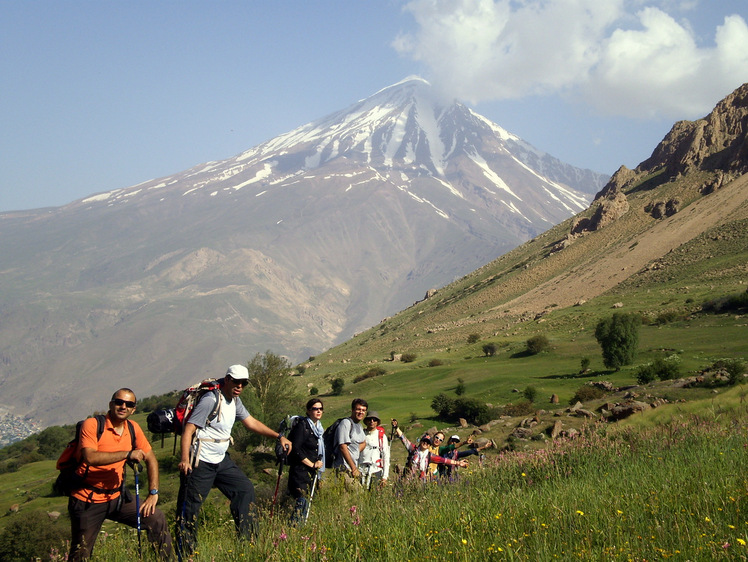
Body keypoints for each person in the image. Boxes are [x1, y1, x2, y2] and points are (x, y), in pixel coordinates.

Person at [175, 365, 292, 558]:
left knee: (245, 489)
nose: (239, 386)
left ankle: (248, 544)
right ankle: (186, 555)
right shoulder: (211, 400)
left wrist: (278, 436)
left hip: (221, 460)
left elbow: (251, 422)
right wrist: (184, 460)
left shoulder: (235, 401)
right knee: (189, 509)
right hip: (200, 461)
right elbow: (189, 430)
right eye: (236, 382)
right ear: (227, 379)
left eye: (243, 383)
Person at [68, 388, 173, 561]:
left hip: (118, 498)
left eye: (129, 404)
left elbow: (151, 459)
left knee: (156, 518)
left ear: (133, 409)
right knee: (81, 553)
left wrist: (153, 493)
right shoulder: (93, 425)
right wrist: (127, 454)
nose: (123, 406)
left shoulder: (132, 428)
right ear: (111, 404)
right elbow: (90, 457)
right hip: (87, 500)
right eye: (119, 402)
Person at [286, 398, 325, 523]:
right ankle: (294, 528)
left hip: (310, 472)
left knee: (306, 501)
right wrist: (311, 464)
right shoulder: (302, 426)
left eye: (320, 409)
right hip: (300, 471)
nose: (318, 411)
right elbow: (296, 449)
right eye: (315, 409)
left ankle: (299, 528)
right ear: (308, 411)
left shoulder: (318, 428)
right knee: (301, 501)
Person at [391, 420, 466, 480]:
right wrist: (396, 427)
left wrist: (458, 463)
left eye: (427, 443)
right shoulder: (413, 449)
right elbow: (404, 439)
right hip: (406, 480)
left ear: (429, 445)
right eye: (424, 441)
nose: (425, 443)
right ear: (420, 442)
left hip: (419, 483)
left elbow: (444, 460)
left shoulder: (430, 456)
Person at [333, 398, 368, 480]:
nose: (361, 412)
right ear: (352, 410)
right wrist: (354, 469)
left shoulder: (359, 426)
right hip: (343, 468)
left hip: (352, 469)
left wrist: (354, 451)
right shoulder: (346, 423)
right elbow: (342, 446)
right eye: (358, 409)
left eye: (363, 410)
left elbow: (363, 442)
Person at [358, 411, 390, 489]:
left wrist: (385, 476)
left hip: (376, 471)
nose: (372, 421)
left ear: (377, 422)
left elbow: (386, 456)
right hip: (361, 471)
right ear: (366, 421)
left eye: (374, 419)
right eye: (370, 419)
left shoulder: (382, 436)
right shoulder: (360, 434)